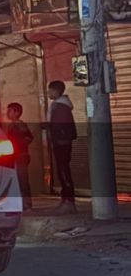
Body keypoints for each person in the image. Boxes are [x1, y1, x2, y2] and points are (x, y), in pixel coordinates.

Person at [47, 80, 77, 212]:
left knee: (64, 171)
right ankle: (66, 199)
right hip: (60, 142)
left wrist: (56, 135)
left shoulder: (60, 107)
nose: (49, 93)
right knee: (62, 170)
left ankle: (69, 201)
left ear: (56, 91)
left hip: (62, 143)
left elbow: (62, 127)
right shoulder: (58, 106)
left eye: (50, 90)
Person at [3, 102, 34, 210]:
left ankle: (27, 204)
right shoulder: (12, 125)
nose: (7, 113)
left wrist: (18, 146)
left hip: (21, 156)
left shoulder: (21, 126)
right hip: (14, 156)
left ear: (17, 113)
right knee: (17, 180)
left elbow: (29, 138)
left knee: (22, 180)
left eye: (10, 111)